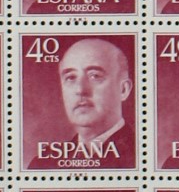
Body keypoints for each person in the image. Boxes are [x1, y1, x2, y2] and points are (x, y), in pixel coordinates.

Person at [43, 38, 132, 167]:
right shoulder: (43, 163)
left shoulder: (140, 156)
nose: (80, 90)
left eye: (95, 76)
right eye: (71, 77)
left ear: (123, 90)